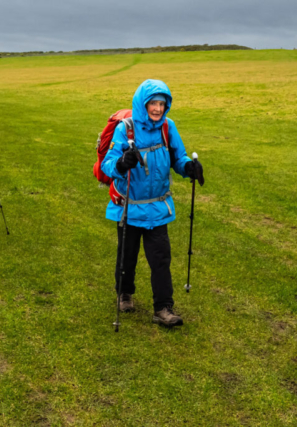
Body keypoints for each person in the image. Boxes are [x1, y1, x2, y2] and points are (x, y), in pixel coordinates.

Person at [101, 79, 204, 327]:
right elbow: (108, 164)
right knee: (127, 257)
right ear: (143, 104)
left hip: (157, 208)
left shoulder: (168, 127)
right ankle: (124, 294)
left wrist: (188, 167)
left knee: (160, 259)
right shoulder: (126, 130)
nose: (158, 108)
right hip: (128, 206)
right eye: (153, 103)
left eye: (162, 103)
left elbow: (177, 157)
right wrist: (122, 162)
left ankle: (163, 308)